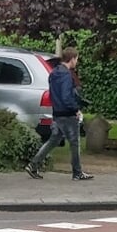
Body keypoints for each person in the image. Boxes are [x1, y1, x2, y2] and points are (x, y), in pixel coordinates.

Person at [26, 47, 90, 181]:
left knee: (53, 140)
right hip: (67, 114)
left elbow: (55, 94)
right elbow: (66, 96)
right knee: (74, 143)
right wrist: (75, 109)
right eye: (76, 59)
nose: (76, 62)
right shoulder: (67, 75)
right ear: (72, 59)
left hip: (56, 112)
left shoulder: (54, 73)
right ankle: (77, 172)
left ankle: (33, 164)